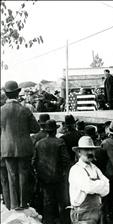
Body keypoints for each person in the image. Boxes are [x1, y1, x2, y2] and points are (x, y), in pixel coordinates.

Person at [1, 80, 40, 210]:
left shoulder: (1, 111)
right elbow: (36, 129)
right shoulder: (25, 110)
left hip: (7, 148)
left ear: (6, 94)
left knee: (11, 175)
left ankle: (14, 205)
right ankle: (24, 204)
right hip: (24, 147)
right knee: (23, 174)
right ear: (17, 93)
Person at [33, 119, 71, 224]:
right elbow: (66, 160)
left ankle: (48, 221)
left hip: (44, 178)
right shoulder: (60, 142)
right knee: (62, 202)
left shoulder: (39, 143)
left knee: (48, 202)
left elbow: (34, 161)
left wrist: (39, 173)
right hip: (59, 177)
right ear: (55, 131)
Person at [69, 136, 110, 224]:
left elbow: (107, 188)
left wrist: (95, 184)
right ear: (79, 152)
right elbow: (88, 187)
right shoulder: (76, 169)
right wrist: (100, 184)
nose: (90, 152)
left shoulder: (95, 168)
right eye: (86, 150)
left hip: (96, 212)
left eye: (92, 150)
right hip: (82, 214)